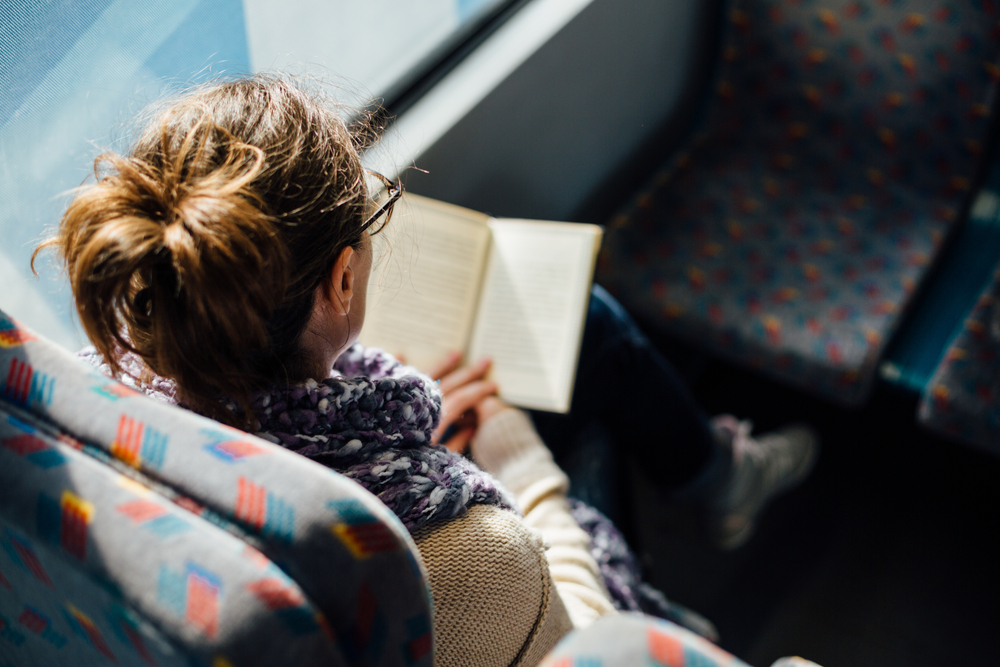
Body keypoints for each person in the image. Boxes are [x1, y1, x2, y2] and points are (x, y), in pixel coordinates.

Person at [35, 74, 817, 666]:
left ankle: (719, 478)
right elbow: (589, 636)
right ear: (341, 282)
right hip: (532, 610)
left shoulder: (93, 404)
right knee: (592, 332)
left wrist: (404, 442)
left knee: (588, 328)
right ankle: (722, 481)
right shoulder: (460, 553)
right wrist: (516, 456)